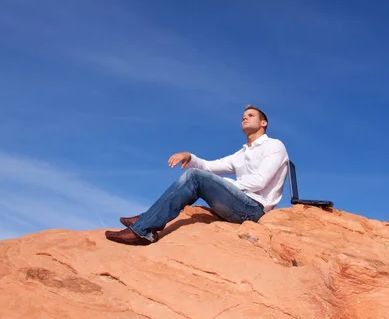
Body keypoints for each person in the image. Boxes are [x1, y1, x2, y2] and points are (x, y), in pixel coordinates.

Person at [105, 105, 289, 245]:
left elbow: (260, 181)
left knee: (195, 177)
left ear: (263, 123)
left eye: (250, 116)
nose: (245, 118)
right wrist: (189, 156)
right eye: (243, 116)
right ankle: (148, 220)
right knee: (197, 174)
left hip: (254, 209)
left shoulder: (274, 146)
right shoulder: (241, 154)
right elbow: (208, 167)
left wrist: (223, 183)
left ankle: (143, 229)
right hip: (237, 202)